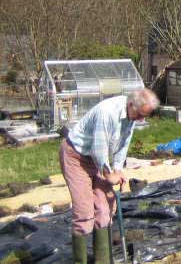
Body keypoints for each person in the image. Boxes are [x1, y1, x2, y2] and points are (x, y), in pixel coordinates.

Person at [59, 88, 159, 264]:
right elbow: (98, 149)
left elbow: (123, 144)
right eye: (140, 115)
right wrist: (108, 173)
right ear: (131, 105)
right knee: (84, 211)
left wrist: (118, 170)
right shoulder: (108, 112)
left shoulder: (131, 115)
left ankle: (103, 260)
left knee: (106, 209)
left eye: (145, 116)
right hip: (76, 157)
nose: (141, 120)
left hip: (96, 159)